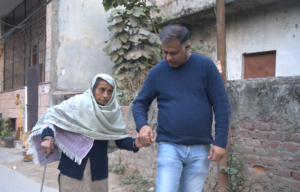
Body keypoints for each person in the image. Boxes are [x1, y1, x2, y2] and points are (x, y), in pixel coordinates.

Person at [132, 24, 231, 192]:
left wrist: (220, 141)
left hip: (201, 149)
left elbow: (222, 106)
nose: (168, 57)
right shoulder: (157, 73)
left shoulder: (206, 67)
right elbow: (140, 103)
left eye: (174, 52)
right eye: (165, 52)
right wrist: (143, 125)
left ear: (187, 47)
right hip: (169, 147)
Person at [28, 74, 146, 192]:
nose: (106, 95)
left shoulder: (112, 113)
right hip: (72, 172)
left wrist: (135, 143)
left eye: (110, 91)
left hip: (98, 175)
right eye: (101, 90)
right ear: (93, 89)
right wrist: (48, 137)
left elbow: (119, 138)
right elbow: (51, 115)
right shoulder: (77, 103)